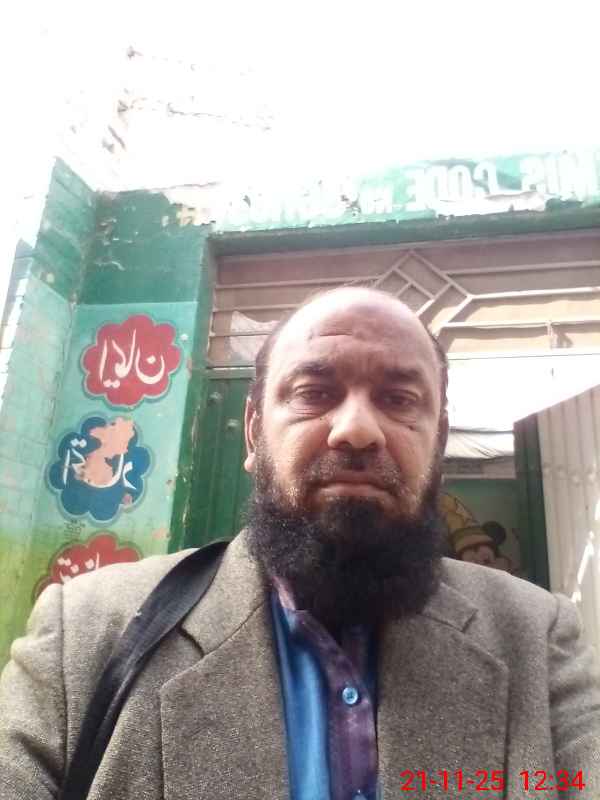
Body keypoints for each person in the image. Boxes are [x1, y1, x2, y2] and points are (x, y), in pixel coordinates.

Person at [1, 286, 599, 800]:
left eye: (398, 400)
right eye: (314, 393)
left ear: (437, 441)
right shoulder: (87, 632)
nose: (357, 430)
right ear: (255, 434)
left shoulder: (536, 637)